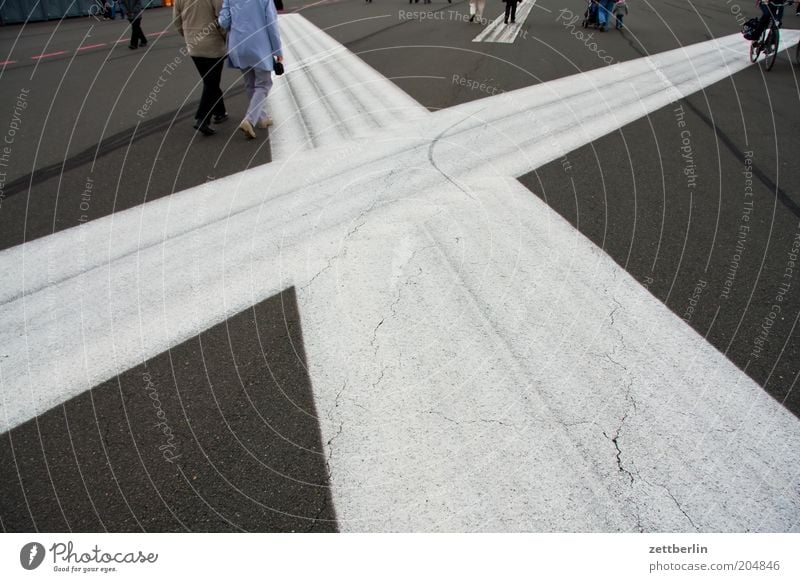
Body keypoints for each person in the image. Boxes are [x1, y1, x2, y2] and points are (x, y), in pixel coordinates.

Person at [218, 0, 283, 139]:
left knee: (250, 83)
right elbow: (271, 25)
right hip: (259, 45)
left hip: (238, 46)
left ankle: (262, 118)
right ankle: (249, 119)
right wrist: (278, 51)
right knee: (264, 84)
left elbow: (223, 22)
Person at [174, 0, 228, 136]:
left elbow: (177, 21)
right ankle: (202, 118)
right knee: (211, 82)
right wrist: (226, 38)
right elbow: (221, 19)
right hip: (212, 44)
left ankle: (220, 111)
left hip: (193, 45)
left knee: (209, 80)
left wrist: (187, 36)